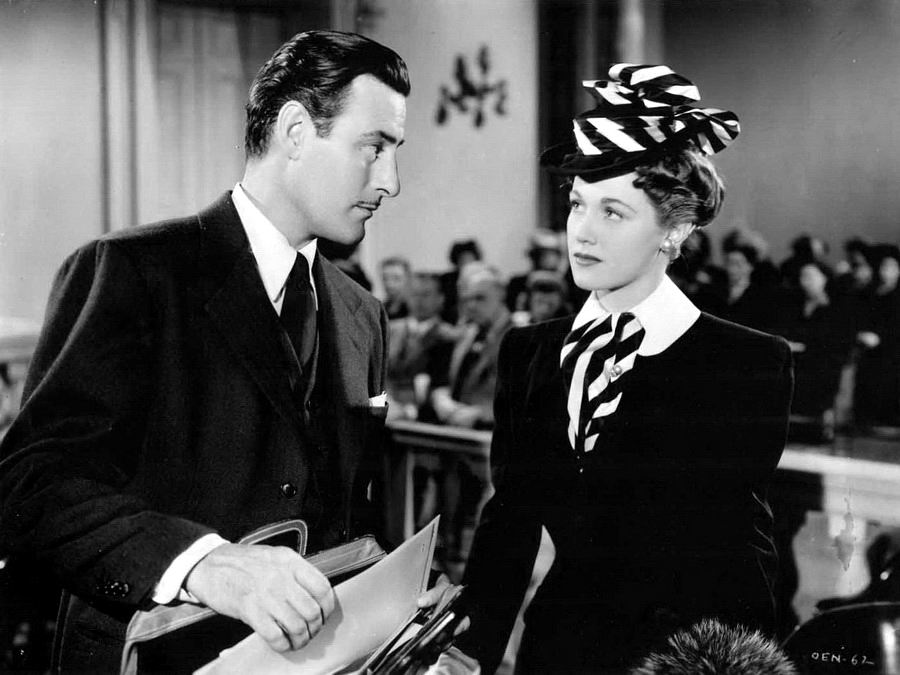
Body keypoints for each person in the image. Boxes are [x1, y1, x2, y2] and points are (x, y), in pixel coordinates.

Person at [0, 30, 447, 672]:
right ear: (295, 130)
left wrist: (402, 621)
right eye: (374, 147)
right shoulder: (134, 272)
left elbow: (350, 518)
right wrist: (206, 564)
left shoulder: (362, 315)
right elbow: (32, 486)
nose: (392, 182)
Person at [453, 64, 793, 674]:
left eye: (613, 212)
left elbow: (743, 553)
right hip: (554, 655)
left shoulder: (744, 363)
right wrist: (467, 654)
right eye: (577, 205)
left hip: (675, 661)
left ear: (675, 230)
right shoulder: (529, 353)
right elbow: (509, 525)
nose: (581, 233)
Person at [380, 255, 412, 319]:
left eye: (396, 278)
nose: (389, 284)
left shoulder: (416, 310)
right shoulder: (380, 309)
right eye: (385, 278)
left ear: (408, 279)